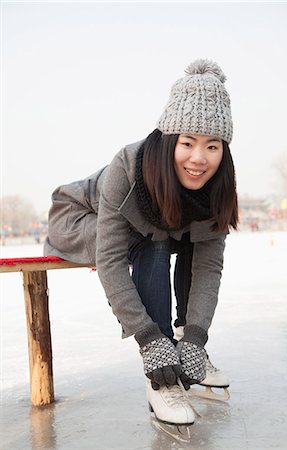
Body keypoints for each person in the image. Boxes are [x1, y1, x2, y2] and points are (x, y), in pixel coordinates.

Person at [44, 59, 238, 426]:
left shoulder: (218, 186)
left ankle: (182, 341)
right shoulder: (129, 167)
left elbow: (209, 266)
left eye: (213, 146)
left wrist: (196, 335)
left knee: (187, 240)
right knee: (154, 240)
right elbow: (112, 259)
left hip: (147, 230)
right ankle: (161, 373)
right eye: (188, 143)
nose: (199, 158)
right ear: (169, 141)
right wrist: (150, 340)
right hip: (76, 218)